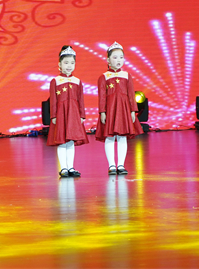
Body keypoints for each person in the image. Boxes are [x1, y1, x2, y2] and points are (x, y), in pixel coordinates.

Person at [96, 42, 142, 175]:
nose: (119, 60)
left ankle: (121, 164)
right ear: (108, 60)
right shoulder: (104, 77)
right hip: (110, 110)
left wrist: (133, 110)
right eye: (115, 57)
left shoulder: (127, 75)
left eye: (121, 57)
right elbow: (102, 96)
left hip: (123, 110)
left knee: (122, 137)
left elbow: (131, 94)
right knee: (110, 137)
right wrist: (102, 112)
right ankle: (111, 165)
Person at [48, 45, 89, 177]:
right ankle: (63, 168)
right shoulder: (55, 81)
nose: (69, 66)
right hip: (61, 114)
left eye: (72, 63)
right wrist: (54, 116)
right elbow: (53, 100)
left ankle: (70, 167)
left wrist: (82, 115)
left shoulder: (77, 81)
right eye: (66, 63)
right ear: (59, 64)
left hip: (74, 115)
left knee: (71, 141)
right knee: (62, 141)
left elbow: (80, 99)